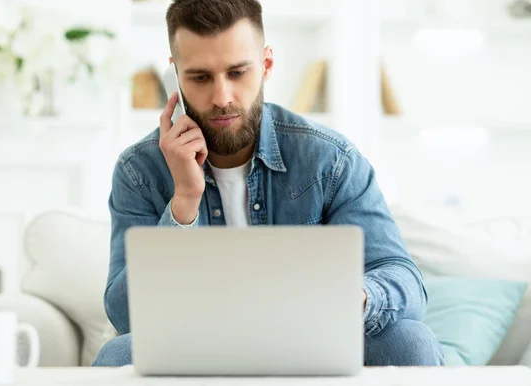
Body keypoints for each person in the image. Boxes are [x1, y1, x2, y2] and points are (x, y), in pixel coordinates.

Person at [93, 0, 444, 367]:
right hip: (198, 349)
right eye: (199, 77)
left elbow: (403, 278)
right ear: (175, 78)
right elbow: (125, 316)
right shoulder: (139, 170)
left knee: (409, 341)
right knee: (117, 354)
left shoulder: (331, 160)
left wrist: (353, 297)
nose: (222, 97)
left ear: (266, 65)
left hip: (311, 341)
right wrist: (184, 200)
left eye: (237, 72)